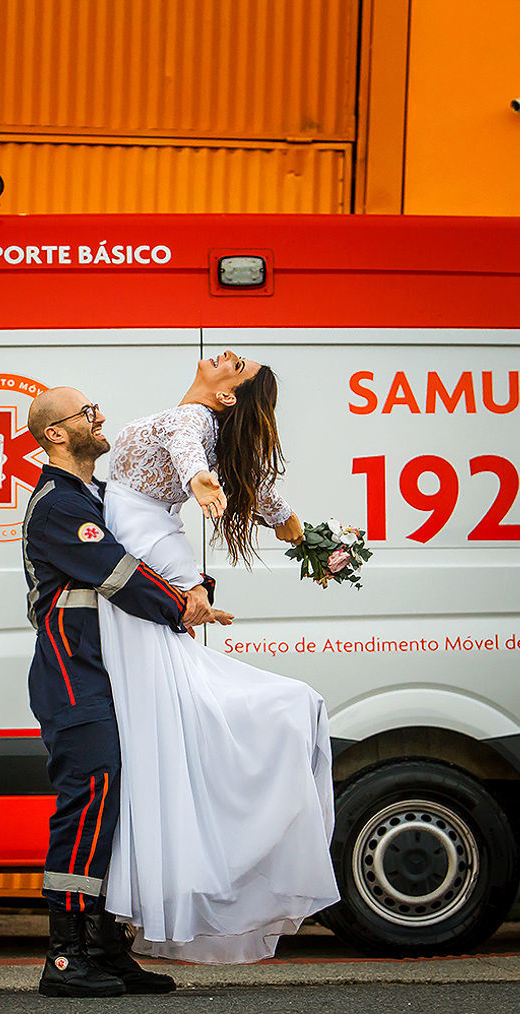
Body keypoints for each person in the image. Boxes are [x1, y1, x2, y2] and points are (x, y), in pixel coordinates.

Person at [99, 350, 340, 964]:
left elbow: (190, 452)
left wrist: (199, 482)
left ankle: (195, 833)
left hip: (142, 536)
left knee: (164, 695)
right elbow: (262, 497)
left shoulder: (193, 420)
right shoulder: (204, 425)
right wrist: (308, 542)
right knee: (168, 690)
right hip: (150, 538)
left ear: (227, 396)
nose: (229, 356)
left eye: (238, 366)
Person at [19, 386, 227, 997]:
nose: (100, 416)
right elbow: (120, 572)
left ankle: (106, 949)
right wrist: (181, 605)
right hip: (73, 674)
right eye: (87, 413)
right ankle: (66, 958)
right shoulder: (59, 504)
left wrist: (196, 584)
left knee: (121, 805)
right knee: (90, 799)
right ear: (56, 433)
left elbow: (150, 546)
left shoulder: (99, 497)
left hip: (106, 673)